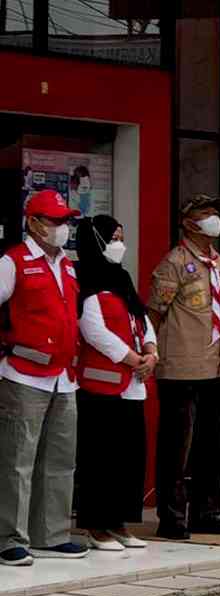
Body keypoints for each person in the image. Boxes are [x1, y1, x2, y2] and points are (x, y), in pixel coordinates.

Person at [0, 190, 89, 565]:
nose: (62, 228)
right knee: (17, 461)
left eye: (65, 221)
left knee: (60, 460)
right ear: (33, 223)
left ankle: (51, 534)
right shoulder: (12, 261)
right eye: (54, 221)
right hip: (24, 374)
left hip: (63, 377)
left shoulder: (67, 264)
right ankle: (9, 538)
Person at [147, 195, 220, 540]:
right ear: (188, 222)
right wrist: (150, 350)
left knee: (215, 443)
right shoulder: (174, 263)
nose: (214, 218)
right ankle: (172, 516)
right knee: (177, 445)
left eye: (217, 212)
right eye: (206, 213)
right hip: (182, 365)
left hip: (218, 363)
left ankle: (207, 511)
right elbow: (154, 313)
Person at [74, 216, 154, 551]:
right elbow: (93, 329)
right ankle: (96, 526)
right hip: (101, 385)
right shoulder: (83, 277)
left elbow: (142, 318)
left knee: (129, 456)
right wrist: (133, 359)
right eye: (114, 237)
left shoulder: (121, 277)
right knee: (100, 457)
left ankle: (119, 521)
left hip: (133, 385)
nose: (120, 243)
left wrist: (151, 352)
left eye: (122, 236)